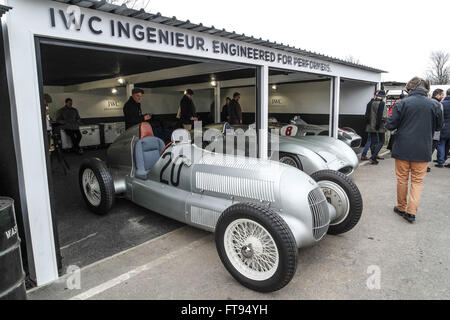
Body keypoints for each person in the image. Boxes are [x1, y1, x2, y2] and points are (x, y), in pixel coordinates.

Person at [385, 77, 443, 223]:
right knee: (417, 181)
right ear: (426, 89)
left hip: (402, 148)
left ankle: (401, 207)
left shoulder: (402, 103)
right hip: (423, 149)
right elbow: (438, 127)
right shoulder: (435, 105)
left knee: (402, 179)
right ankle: (411, 212)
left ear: (410, 88)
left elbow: (390, 125)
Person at [364, 90, 387, 164]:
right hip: (379, 125)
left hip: (370, 125)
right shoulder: (382, 104)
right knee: (381, 141)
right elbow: (384, 117)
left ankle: (373, 158)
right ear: (383, 97)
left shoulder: (370, 103)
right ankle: (373, 156)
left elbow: (366, 114)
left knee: (373, 142)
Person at [429, 89, 444, 171]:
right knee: (431, 149)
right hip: (435, 131)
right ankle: (424, 165)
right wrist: (439, 128)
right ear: (437, 95)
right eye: (442, 95)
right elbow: (440, 121)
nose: (443, 96)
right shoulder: (438, 105)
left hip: (427, 130)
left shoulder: (428, 103)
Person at [436, 88, 450, 168]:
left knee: (441, 144)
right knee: (448, 145)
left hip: (444, 127)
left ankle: (441, 161)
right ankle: (444, 159)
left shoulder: (442, 104)